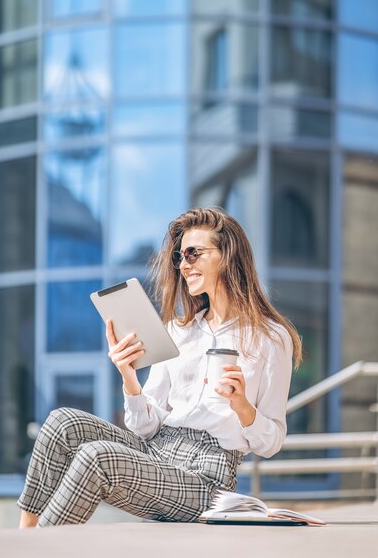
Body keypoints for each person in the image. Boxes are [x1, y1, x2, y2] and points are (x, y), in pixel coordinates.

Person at [18, 207, 302, 528]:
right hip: (156, 452)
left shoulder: (270, 338)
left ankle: (37, 550)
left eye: (193, 254)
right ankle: (25, 538)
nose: (183, 265)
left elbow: (272, 441)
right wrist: (129, 378)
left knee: (98, 456)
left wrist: (242, 406)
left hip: (206, 478)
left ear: (226, 255)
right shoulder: (178, 330)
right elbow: (145, 429)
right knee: (62, 422)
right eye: (180, 257)